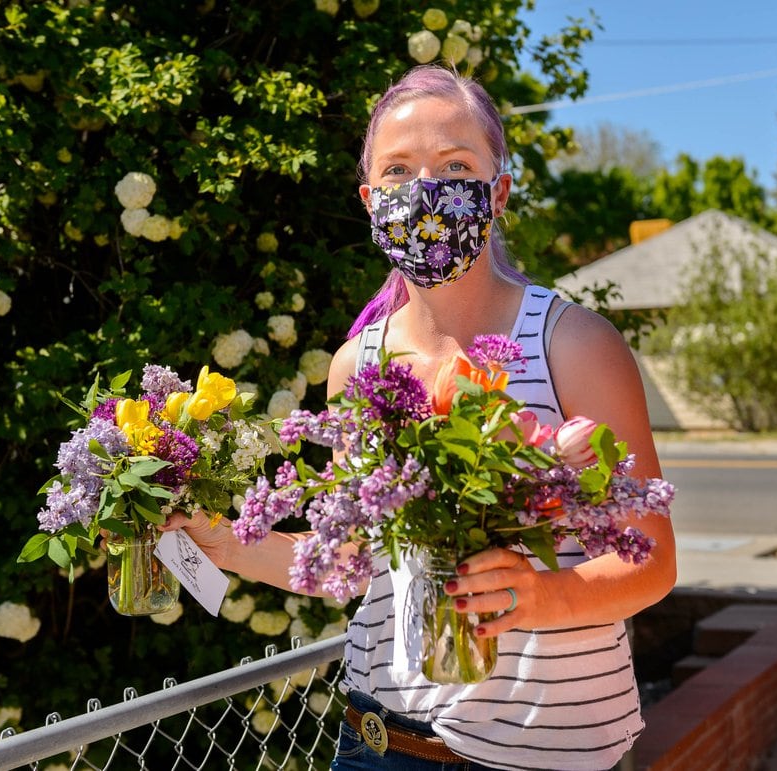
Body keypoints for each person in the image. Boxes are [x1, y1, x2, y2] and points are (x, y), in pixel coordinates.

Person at [161, 63, 677, 770]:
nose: (425, 190)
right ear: (372, 202)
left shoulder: (573, 343)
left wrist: (543, 595)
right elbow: (350, 560)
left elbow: (651, 560)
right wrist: (222, 544)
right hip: (379, 742)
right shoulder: (357, 366)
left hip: (541, 754)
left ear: (498, 192)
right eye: (399, 171)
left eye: (455, 164)